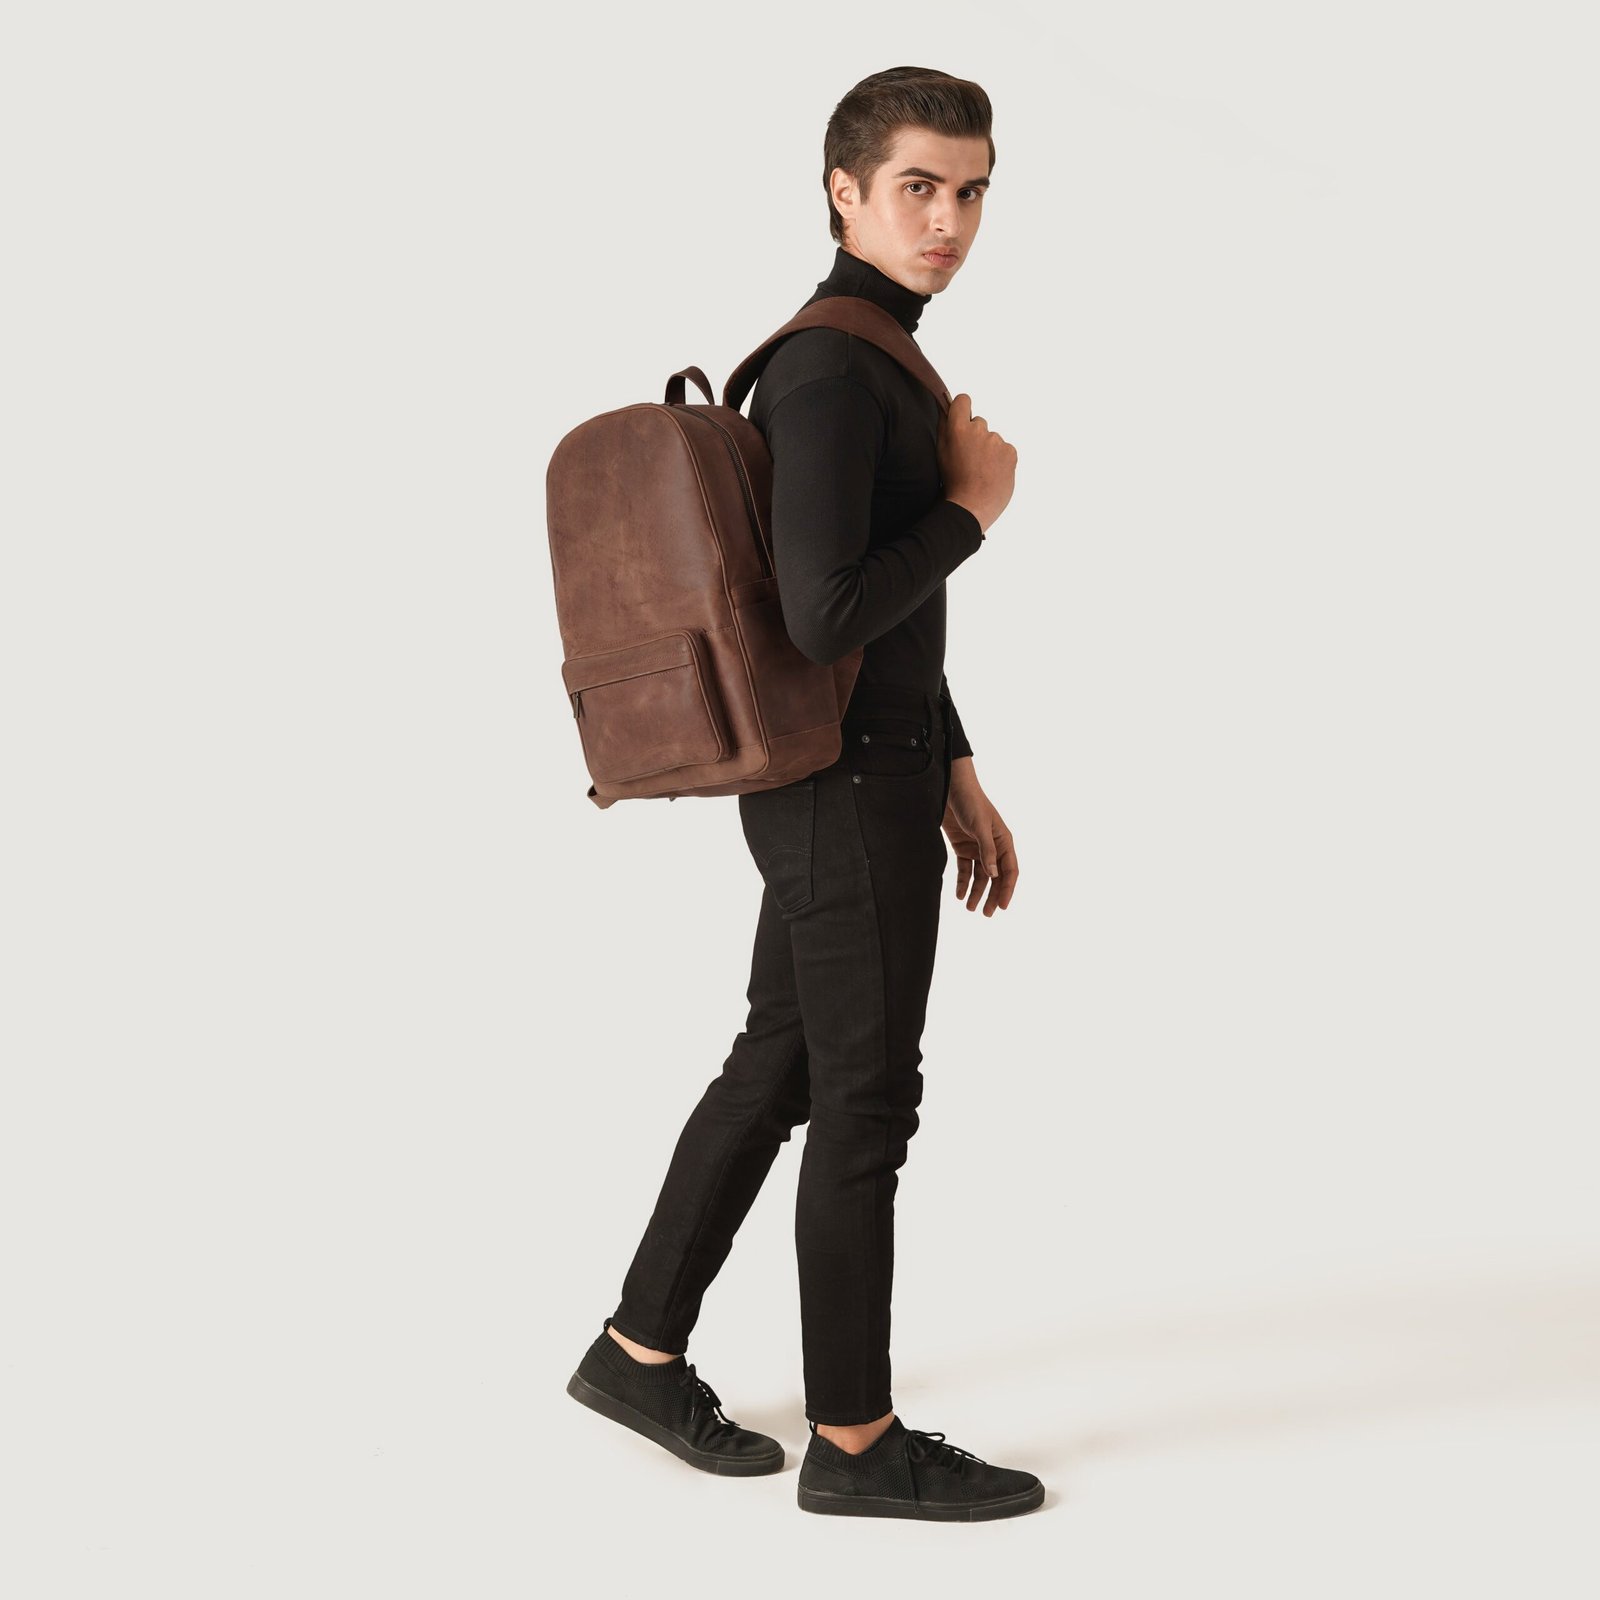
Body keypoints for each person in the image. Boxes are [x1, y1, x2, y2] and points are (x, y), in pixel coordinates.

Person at [567, 67, 1040, 1521]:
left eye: (971, 191)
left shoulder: (867, 356)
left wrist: (954, 761)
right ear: (845, 192)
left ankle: (637, 1354)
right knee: (864, 1101)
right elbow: (829, 613)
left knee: (781, 1061)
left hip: (868, 767)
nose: (949, 220)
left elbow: (874, 624)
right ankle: (855, 1442)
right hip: (843, 784)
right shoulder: (836, 368)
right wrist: (972, 510)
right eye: (919, 187)